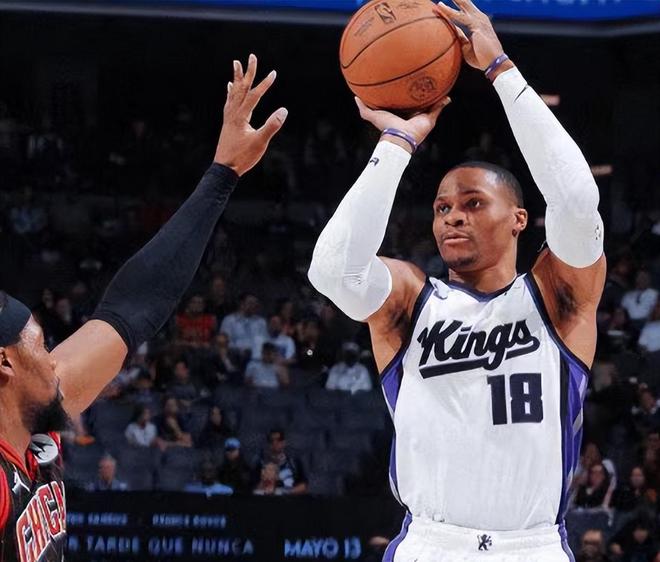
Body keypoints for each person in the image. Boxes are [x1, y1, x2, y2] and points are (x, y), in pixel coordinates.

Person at [308, 1, 605, 560]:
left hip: (532, 547)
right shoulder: (411, 300)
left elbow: (575, 198)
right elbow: (331, 271)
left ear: (519, 219)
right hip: (432, 542)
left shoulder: (556, 295)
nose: (453, 217)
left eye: (472, 203)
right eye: (442, 207)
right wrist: (397, 144)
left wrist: (501, 70)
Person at [0, 53, 286, 561]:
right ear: (5, 363)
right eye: (41, 347)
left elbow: (131, 307)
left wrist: (223, 173)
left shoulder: (36, 422)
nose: (54, 359)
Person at [254, 429, 307, 495]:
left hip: (289, 499)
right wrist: (265, 481)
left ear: (284, 442)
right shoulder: (261, 463)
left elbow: (304, 486)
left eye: (279, 439)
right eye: (271, 440)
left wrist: (283, 492)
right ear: (268, 444)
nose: (275, 443)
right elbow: (254, 489)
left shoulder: (293, 462)